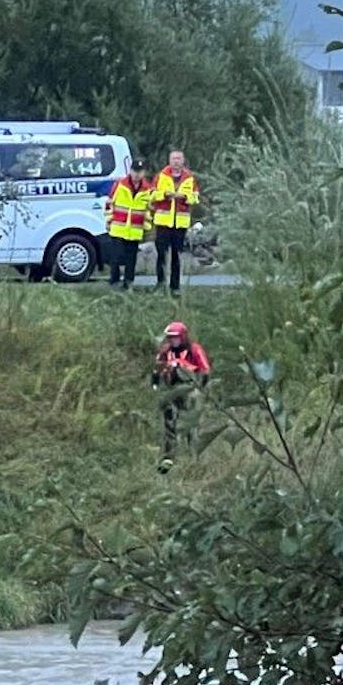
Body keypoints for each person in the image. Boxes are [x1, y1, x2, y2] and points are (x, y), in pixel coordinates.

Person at [151, 321, 211, 474]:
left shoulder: (194, 350)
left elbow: (205, 371)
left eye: (175, 338)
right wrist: (156, 381)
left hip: (190, 391)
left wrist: (200, 387)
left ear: (183, 337)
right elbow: (157, 367)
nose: (172, 341)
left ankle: (195, 461)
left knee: (191, 426)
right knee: (169, 424)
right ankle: (168, 458)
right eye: (170, 338)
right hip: (172, 391)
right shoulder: (166, 350)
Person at [149, 150, 200, 296]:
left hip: (180, 223)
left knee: (176, 256)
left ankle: (175, 287)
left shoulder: (189, 178)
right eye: (173, 158)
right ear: (169, 160)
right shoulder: (161, 176)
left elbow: (196, 198)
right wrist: (164, 195)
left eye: (179, 158)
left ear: (183, 161)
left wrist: (184, 196)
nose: (176, 161)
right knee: (161, 254)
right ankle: (160, 284)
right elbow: (151, 195)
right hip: (163, 222)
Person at [104, 158, 152, 289]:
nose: (137, 174)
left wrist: (147, 226)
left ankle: (128, 283)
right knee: (116, 256)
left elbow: (149, 209)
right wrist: (108, 222)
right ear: (130, 171)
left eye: (140, 171)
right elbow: (110, 204)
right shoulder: (120, 185)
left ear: (144, 173)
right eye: (135, 171)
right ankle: (114, 280)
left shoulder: (147, 189)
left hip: (135, 229)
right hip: (118, 227)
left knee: (131, 259)